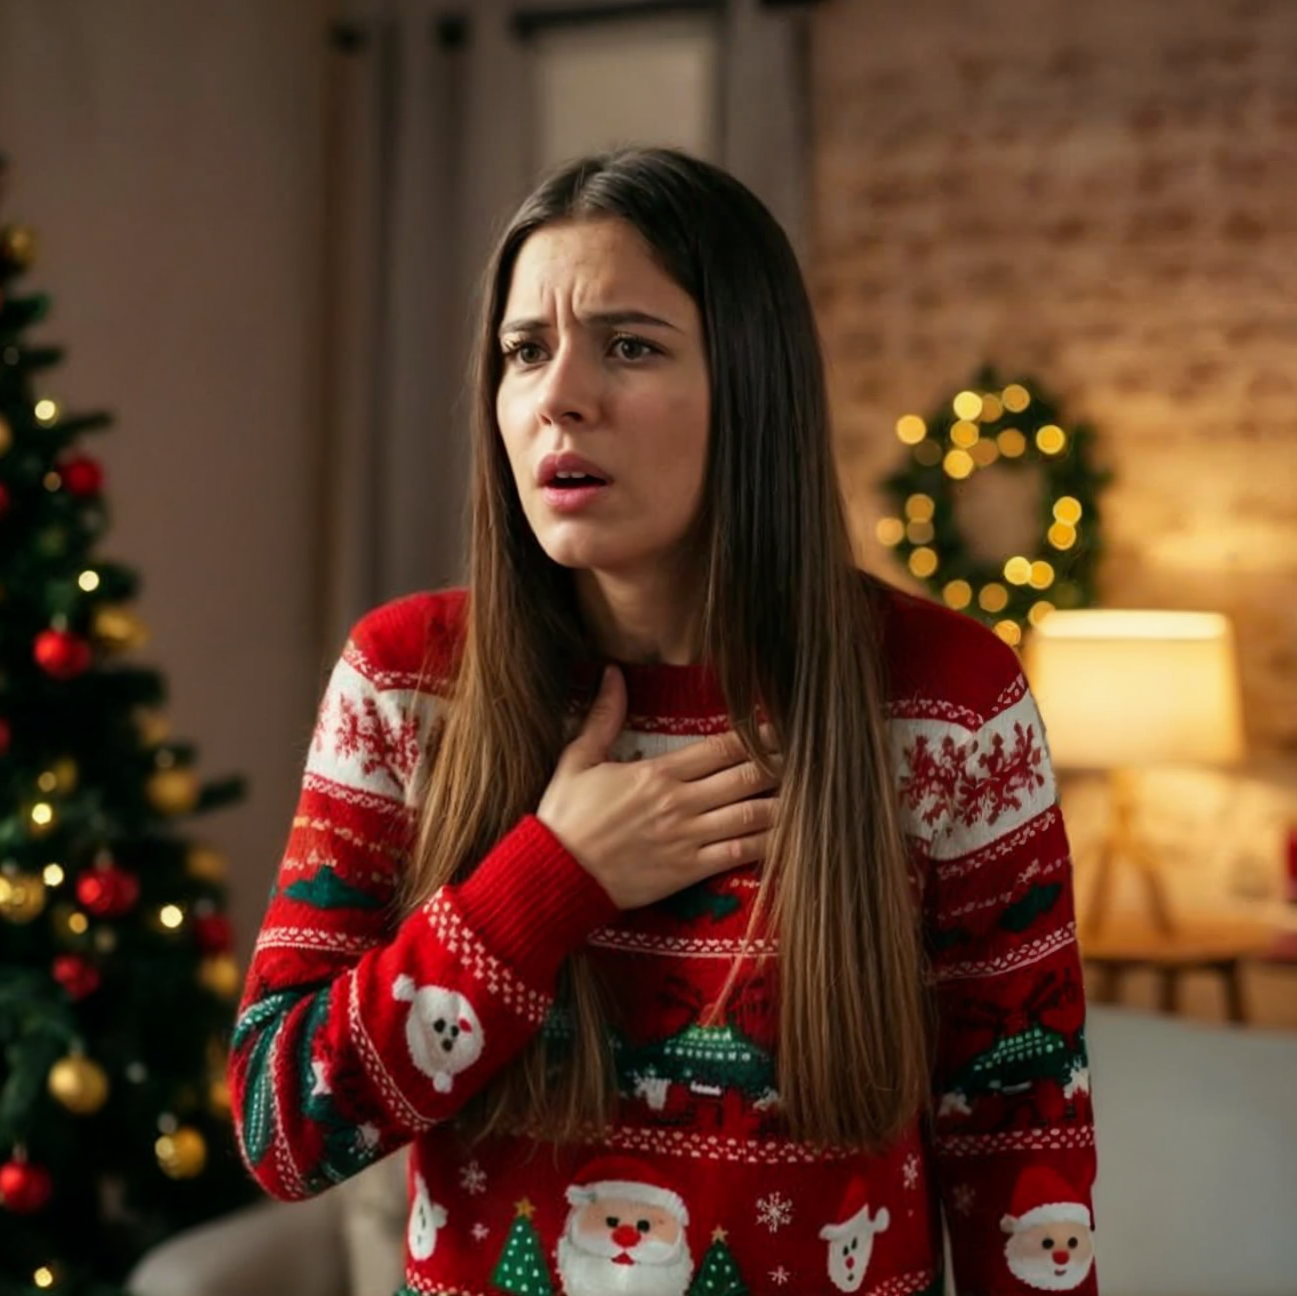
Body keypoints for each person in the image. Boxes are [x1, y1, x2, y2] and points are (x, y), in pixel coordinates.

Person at [229, 147, 1098, 1296]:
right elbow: (282, 1129)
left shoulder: (948, 701)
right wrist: (548, 881)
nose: (559, 396)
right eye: (524, 352)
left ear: (750, 385)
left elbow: (1023, 1151)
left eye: (628, 346)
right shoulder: (406, 682)